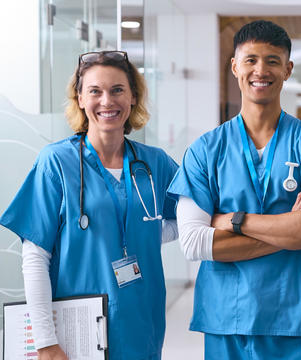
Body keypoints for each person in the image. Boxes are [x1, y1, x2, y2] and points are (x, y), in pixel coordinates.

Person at [167, 20, 301, 359]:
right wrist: (291, 228)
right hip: (228, 321)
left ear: (288, 69)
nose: (260, 70)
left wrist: (234, 220)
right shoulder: (205, 151)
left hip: (300, 318)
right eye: (250, 59)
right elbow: (193, 243)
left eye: (272, 60)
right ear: (235, 66)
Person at [0, 50, 179, 360]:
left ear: (133, 97)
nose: (107, 101)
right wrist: (45, 342)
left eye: (117, 90)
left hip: (141, 323)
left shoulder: (155, 163)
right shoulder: (56, 162)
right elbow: (35, 256)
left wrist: (146, 233)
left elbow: (187, 221)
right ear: (80, 98)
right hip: (75, 332)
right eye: (95, 91)